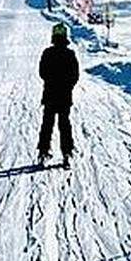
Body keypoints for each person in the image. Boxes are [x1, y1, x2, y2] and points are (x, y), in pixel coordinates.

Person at [38, 23, 80, 167]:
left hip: (49, 94)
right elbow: (75, 75)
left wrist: (51, 81)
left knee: (47, 124)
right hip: (64, 95)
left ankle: (43, 152)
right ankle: (67, 153)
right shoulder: (70, 54)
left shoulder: (47, 53)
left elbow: (42, 73)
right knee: (64, 124)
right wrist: (68, 86)